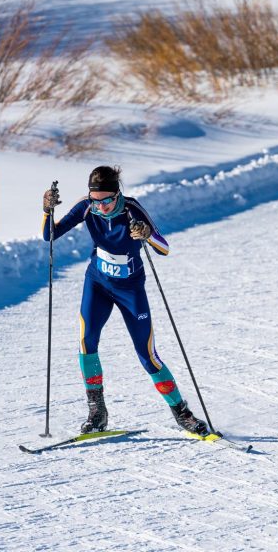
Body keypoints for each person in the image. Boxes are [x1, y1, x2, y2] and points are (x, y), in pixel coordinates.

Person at [42, 165, 209, 436]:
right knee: (87, 343)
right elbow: (50, 235)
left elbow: (163, 247)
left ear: (117, 194)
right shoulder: (86, 207)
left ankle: (182, 413)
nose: (102, 206)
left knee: (147, 355)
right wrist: (47, 210)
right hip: (97, 283)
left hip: (130, 290)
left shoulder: (132, 209)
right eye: (96, 200)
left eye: (107, 200)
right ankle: (97, 413)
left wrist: (146, 234)